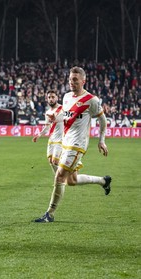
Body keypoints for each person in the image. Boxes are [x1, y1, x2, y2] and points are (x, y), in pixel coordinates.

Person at [34, 66, 112, 223]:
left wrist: (101, 140)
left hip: (77, 145)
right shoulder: (66, 97)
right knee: (72, 181)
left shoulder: (91, 100)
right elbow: (66, 117)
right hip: (65, 143)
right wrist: (53, 120)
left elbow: (103, 120)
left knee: (60, 175)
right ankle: (104, 181)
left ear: (83, 81)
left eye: (75, 80)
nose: (71, 82)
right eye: (70, 79)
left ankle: (49, 213)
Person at [32, 90, 63, 174]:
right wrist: (39, 135)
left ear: (57, 97)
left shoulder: (63, 109)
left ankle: (60, 179)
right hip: (52, 139)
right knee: (50, 161)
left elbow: (72, 117)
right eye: (49, 97)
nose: (51, 99)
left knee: (55, 161)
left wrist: (57, 119)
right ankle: (59, 177)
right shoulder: (48, 112)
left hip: (61, 140)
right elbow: (47, 127)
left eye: (53, 97)